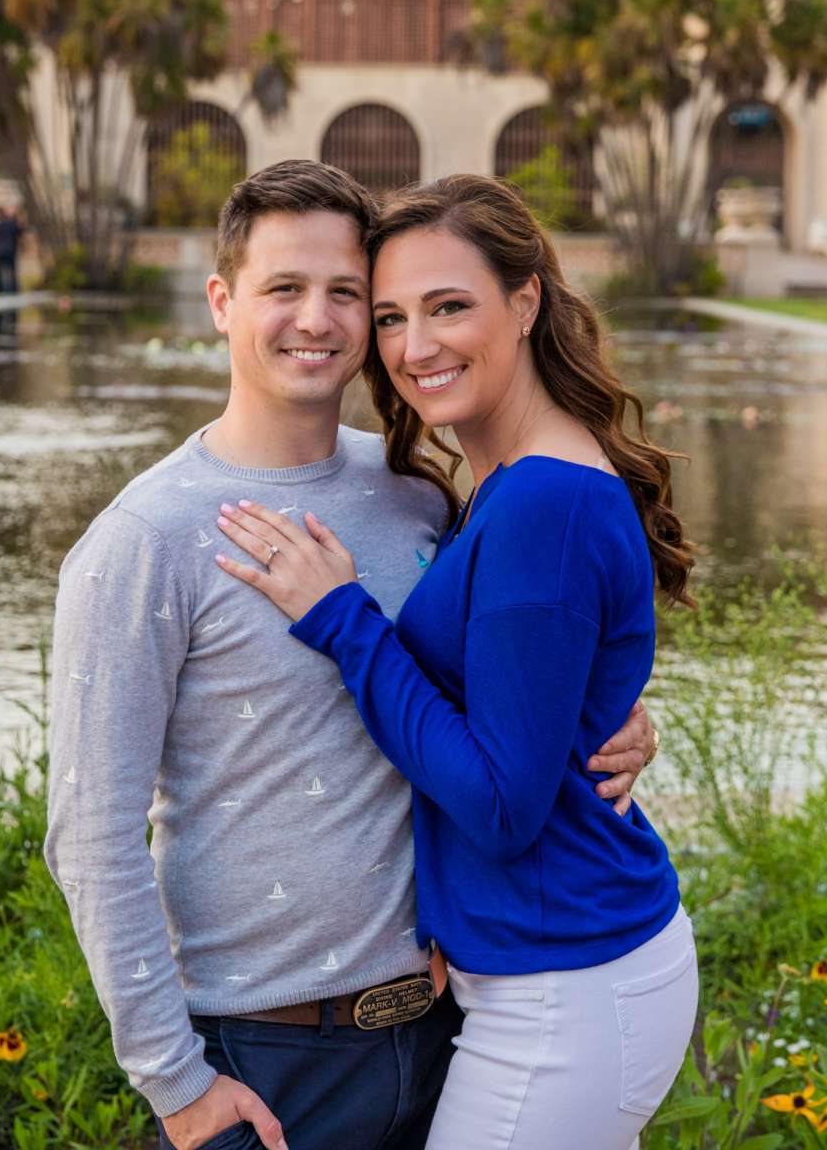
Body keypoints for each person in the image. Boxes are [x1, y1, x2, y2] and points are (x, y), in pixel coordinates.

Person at [44, 161, 657, 1150]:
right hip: (267, 1061)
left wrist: (611, 720)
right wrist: (177, 1083)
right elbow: (91, 835)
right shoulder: (143, 541)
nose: (317, 320)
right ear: (221, 302)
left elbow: (499, 686)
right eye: (284, 288)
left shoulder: (420, 489)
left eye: (347, 295)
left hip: (451, 1031)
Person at [214, 174, 697, 1149]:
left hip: (563, 992)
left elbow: (505, 806)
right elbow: (539, 687)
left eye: (448, 307)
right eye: (390, 315)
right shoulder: (513, 482)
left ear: (526, 301)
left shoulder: (539, 506)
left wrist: (345, 620)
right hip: (559, 971)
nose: (413, 346)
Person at [0, 202, 27, 295]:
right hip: (10, 250)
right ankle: (13, 289)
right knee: (12, 271)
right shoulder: (12, 224)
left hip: (1, 250)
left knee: (0, 271)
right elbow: (21, 231)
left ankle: (0, 289)